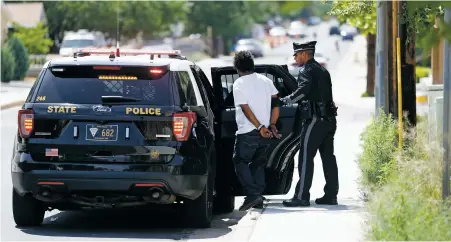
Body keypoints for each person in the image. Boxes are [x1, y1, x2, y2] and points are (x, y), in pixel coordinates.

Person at [280, 41, 339, 207]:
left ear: (304, 54)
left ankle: (301, 196)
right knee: (328, 158)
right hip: (329, 120)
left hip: (314, 120)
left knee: (305, 158)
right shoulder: (322, 70)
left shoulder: (306, 70)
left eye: (296, 55)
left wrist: (286, 100)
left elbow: (303, 90)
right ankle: (331, 195)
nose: (295, 58)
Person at [232, 50, 281, 211]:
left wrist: (259, 127)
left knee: (240, 161)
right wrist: (271, 125)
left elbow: (245, 108)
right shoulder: (266, 81)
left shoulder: (239, 84)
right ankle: (258, 197)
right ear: (252, 65)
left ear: (237, 68)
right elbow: (276, 105)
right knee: (258, 164)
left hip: (249, 131)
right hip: (266, 131)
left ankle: (253, 194)